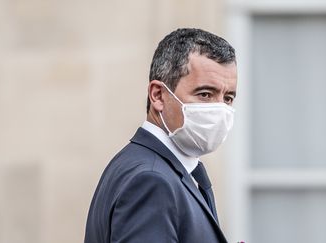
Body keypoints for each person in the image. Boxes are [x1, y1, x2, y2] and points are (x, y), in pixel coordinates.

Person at [84, 28, 237, 243]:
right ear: (158, 95)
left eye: (228, 98)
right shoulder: (151, 180)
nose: (219, 109)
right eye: (205, 94)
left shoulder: (150, 166)